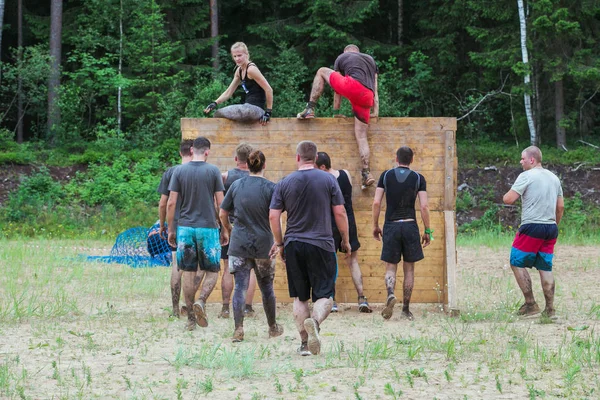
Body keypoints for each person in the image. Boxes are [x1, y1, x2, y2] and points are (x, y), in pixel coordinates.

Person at [269, 141, 350, 356]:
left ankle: (305, 345)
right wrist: (346, 239)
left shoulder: (284, 182)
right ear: (315, 158)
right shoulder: (329, 180)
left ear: (297, 158)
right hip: (322, 244)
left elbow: (273, 216)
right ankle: (314, 321)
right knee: (325, 295)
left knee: (300, 297)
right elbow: (340, 213)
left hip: (294, 244)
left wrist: (280, 243)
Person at [220, 150, 284, 342]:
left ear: (247, 165)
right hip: (264, 244)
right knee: (267, 288)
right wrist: (279, 240)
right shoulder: (272, 188)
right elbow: (276, 216)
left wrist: (229, 230)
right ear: (264, 165)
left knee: (240, 286)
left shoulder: (237, 185)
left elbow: (223, 213)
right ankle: (272, 328)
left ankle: (238, 329)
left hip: (239, 243)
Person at [297, 44, 379, 189]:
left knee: (322, 71)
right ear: (358, 52)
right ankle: (366, 173)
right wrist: (376, 110)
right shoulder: (370, 60)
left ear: (346, 52)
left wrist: (336, 112)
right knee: (361, 136)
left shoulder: (343, 57)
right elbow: (375, 86)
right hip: (367, 96)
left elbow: (337, 89)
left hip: (353, 86)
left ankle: (310, 109)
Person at [167, 136, 227, 331]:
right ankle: (201, 300)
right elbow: (221, 203)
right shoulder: (213, 171)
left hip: (184, 227)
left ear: (192, 150)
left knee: (188, 271)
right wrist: (224, 228)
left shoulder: (180, 171)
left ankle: (191, 320)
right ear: (207, 152)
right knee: (212, 269)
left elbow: (171, 203)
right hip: (208, 227)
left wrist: (170, 229)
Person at [503, 146, 564, 318]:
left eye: (523, 158)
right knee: (545, 267)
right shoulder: (554, 178)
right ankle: (550, 310)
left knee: (516, 262)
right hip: (551, 227)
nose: (520, 161)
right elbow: (560, 207)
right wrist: (554, 224)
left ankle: (530, 304)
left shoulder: (526, 176)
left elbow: (508, 199)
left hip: (531, 226)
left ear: (532, 159)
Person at [372, 146, 431, 321]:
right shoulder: (419, 178)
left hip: (391, 225)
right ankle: (405, 309)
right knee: (409, 269)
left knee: (391, 267)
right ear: (411, 160)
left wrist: (375, 225)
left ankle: (390, 294)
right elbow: (424, 206)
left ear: (396, 159)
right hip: (410, 226)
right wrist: (427, 230)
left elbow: (376, 202)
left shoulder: (386, 175)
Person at [315, 151, 372, 313]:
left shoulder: (322, 180)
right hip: (349, 220)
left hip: (330, 222)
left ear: (323, 167)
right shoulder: (345, 174)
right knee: (352, 260)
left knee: (329, 261)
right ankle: (362, 299)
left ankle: (331, 300)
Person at [219, 143, 258, 319]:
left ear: (236, 159)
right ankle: (247, 308)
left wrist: (224, 227)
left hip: (231, 227)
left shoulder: (225, 177)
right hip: (251, 228)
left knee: (228, 266)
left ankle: (226, 308)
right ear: (251, 160)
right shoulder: (256, 178)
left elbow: (218, 203)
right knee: (250, 269)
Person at [157, 139, 193, 318]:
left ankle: (175, 309)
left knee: (177, 266)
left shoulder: (171, 172)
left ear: (181, 153)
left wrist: (163, 224)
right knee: (196, 269)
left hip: (177, 226)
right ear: (193, 152)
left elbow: (164, 203)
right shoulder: (202, 171)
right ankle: (191, 306)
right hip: (198, 225)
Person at [204, 42, 273, 125]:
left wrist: (268, 112)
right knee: (218, 114)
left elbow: (268, 89)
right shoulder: (239, 71)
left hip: (256, 110)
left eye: (239, 55)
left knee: (235, 111)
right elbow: (229, 92)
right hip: (246, 107)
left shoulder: (251, 69)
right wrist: (215, 103)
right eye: (235, 56)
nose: (237, 59)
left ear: (246, 54)